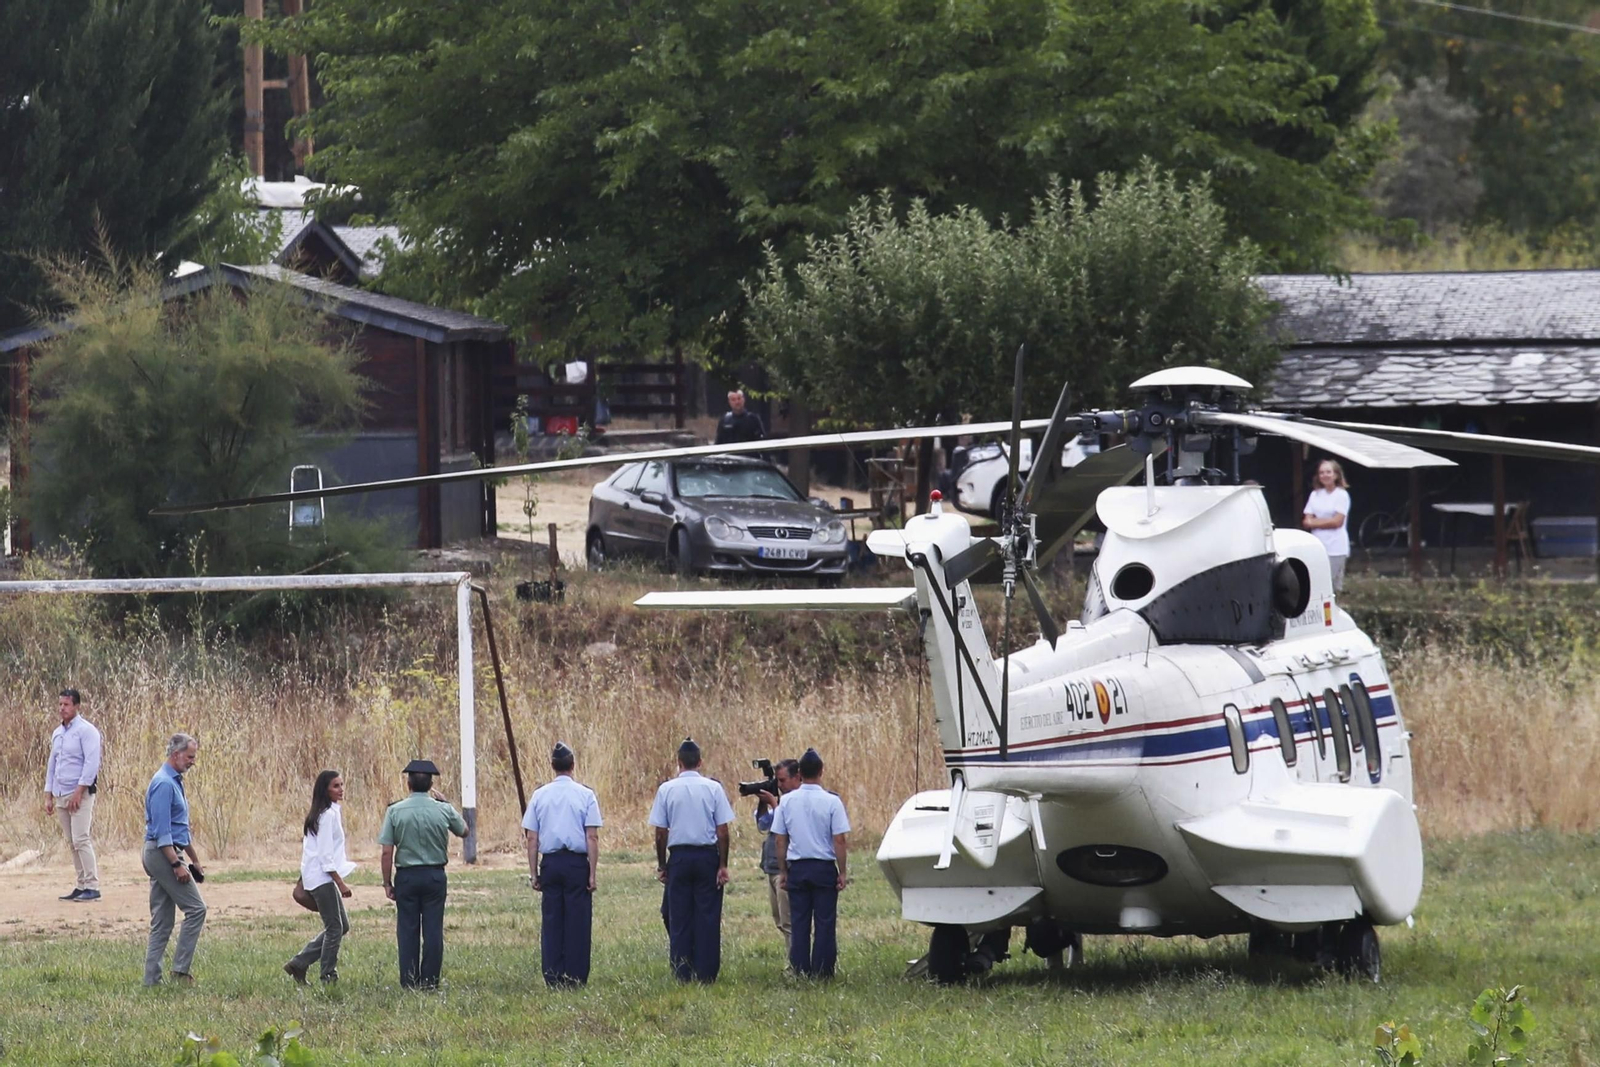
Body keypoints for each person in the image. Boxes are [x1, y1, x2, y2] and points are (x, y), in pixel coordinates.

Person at [648, 737, 735, 982]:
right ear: (700, 762)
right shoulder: (713, 788)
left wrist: (663, 864)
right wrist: (722, 864)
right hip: (707, 856)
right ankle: (706, 972)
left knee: (679, 916)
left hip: (680, 857)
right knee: (708, 915)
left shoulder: (667, 789)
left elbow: (660, 832)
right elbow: (723, 831)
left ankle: (682, 970)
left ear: (679, 762)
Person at [378, 758, 468, 989]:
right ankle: (430, 980)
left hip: (407, 876)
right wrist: (447, 804)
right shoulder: (443, 809)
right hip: (434, 875)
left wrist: (387, 882)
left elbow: (387, 851)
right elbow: (464, 830)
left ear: (408, 784)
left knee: (407, 929)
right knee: (433, 930)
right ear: (431, 785)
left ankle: (409, 980)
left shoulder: (395, 811)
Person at [523, 741, 603, 988]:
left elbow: (532, 838)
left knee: (552, 920)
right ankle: (576, 975)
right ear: (573, 765)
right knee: (578, 921)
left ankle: (553, 974)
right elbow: (592, 836)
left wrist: (534, 873)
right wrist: (592, 873)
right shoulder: (586, 795)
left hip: (551, 863)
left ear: (552, 766)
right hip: (576, 864)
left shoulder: (539, 795)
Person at [771, 747, 851, 979]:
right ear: (821, 771)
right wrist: (842, 871)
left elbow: (780, 839)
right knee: (825, 922)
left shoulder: (787, 802)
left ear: (800, 773)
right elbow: (839, 839)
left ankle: (800, 968)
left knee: (799, 921)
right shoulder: (832, 802)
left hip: (798, 867)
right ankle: (823, 971)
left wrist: (783, 870)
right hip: (823, 867)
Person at [142, 733, 206, 987]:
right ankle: (180, 971)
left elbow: (180, 829)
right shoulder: (164, 784)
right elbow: (162, 832)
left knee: (163, 921)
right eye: (189, 757)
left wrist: (194, 860)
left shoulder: (174, 781)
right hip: (162, 853)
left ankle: (151, 981)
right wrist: (176, 864)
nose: (192, 761)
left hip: (166, 851)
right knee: (196, 909)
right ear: (176, 754)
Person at [285, 770, 356, 985]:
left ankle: (299, 962)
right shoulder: (326, 816)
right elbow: (325, 856)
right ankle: (328, 976)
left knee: (341, 926)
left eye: (341, 784)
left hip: (319, 875)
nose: (341, 789)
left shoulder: (328, 812)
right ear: (325, 790)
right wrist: (341, 883)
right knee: (334, 928)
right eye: (335, 786)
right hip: (322, 877)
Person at [45, 688, 102, 902]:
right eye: (60, 704)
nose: (62, 708)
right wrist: (48, 794)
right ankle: (81, 884)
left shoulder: (87, 731)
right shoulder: (57, 733)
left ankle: (92, 885)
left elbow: (91, 763)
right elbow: (53, 764)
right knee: (71, 842)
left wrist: (79, 791)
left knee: (81, 838)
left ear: (77, 706)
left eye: (66, 704)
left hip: (79, 792)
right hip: (60, 791)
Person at [754, 759, 801, 965]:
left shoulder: (797, 802)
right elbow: (763, 824)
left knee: (790, 921)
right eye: (777, 781)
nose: (779, 785)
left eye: (782, 780)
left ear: (797, 778)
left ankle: (796, 966)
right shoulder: (781, 804)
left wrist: (774, 804)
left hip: (786, 870)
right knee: (780, 920)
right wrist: (763, 802)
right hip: (772, 868)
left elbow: (791, 828)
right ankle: (794, 962)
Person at [1302, 458, 1352, 593]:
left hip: (1336, 547)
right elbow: (1306, 521)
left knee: (1330, 587)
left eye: (1328, 472)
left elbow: (1337, 522)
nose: (1325, 475)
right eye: (1322, 472)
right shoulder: (1314, 494)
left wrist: (1315, 522)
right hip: (1318, 546)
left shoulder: (1342, 495)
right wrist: (1324, 521)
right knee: (1316, 584)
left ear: (1336, 475)